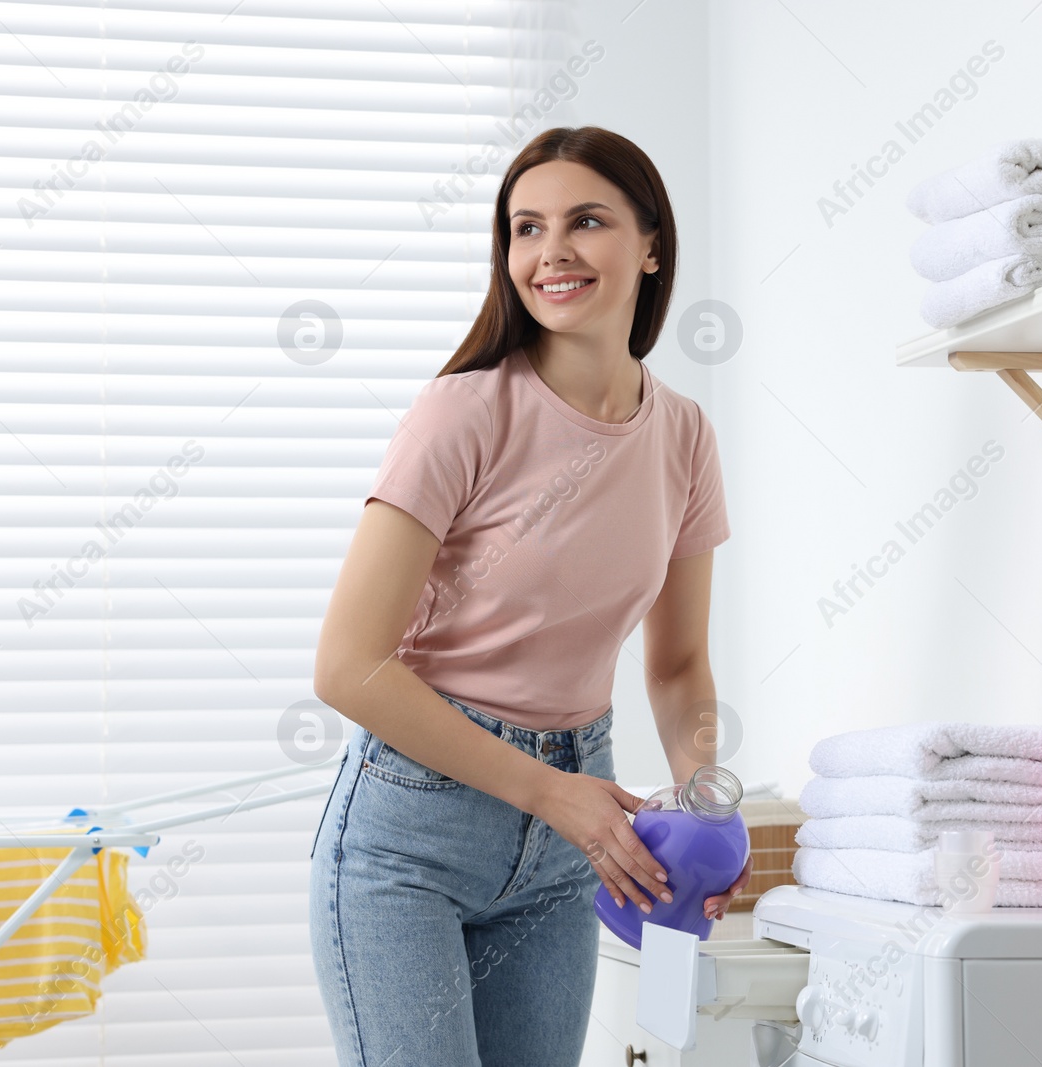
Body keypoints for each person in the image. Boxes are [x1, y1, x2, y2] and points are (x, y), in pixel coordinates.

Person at [308, 125, 747, 1067]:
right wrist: (555, 793)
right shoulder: (463, 412)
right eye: (525, 227)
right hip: (410, 837)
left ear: (652, 242)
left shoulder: (684, 436)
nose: (551, 252)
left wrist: (708, 803)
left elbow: (676, 665)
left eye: (585, 221)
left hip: (566, 847)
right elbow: (346, 666)